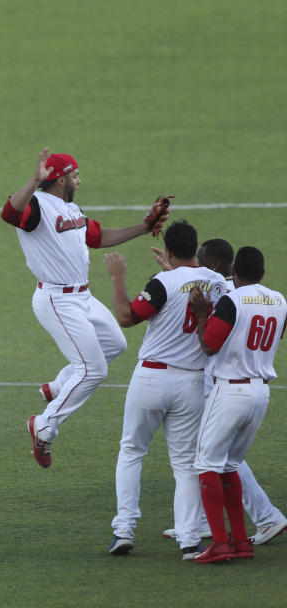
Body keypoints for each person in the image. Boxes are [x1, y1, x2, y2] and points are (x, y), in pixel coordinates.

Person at [2, 147, 169, 467]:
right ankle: (44, 426)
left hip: (82, 297)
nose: (79, 180)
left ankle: (59, 386)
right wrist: (33, 180)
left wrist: (143, 228)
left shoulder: (71, 209)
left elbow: (98, 236)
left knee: (116, 343)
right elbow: (10, 214)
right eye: (75, 175)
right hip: (56, 299)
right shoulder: (37, 206)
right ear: (60, 178)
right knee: (94, 370)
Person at [102, 221, 227, 559]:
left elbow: (128, 317)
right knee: (186, 464)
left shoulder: (162, 282)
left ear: (169, 252)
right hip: (192, 383)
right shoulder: (218, 283)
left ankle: (124, 530)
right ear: (195, 246)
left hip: (151, 379)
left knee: (131, 451)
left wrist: (117, 277)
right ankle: (189, 541)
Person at [155, 238, 287, 546]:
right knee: (219, 459)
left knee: (210, 459)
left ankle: (259, 518)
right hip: (256, 386)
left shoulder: (230, 294)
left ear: (216, 265)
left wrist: (196, 308)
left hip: (221, 384)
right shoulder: (269, 297)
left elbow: (210, 343)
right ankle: (201, 522)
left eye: (199, 261)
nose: (196, 267)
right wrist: (174, 274)